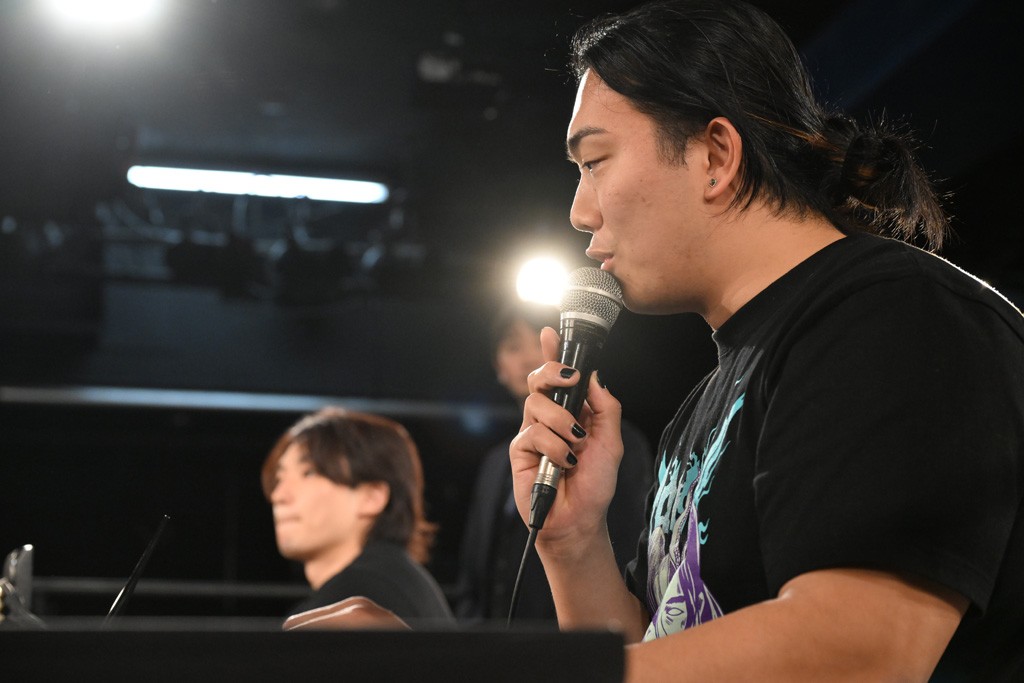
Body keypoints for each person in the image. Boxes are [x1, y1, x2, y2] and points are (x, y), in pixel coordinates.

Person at [509, 1, 1024, 680]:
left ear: (715, 156)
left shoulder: (897, 313)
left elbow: (859, 651)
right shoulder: (707, 401)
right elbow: (663, 650)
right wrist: (574, 542)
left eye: (596, 160)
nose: (580, 211)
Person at [454, 301, 655, 624]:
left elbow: (630, 548)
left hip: (579, 634)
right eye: (513, 347)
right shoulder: (494, 463)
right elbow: (473, 569)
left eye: (538, 341)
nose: (527, 357)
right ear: (498, 367)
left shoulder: (612, 441)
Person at [261, 406, 454, 627]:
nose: (278, 495)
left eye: (309, 473)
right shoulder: (397, 580)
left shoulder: (362, 596)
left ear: (372, 497)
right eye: (279, 478)